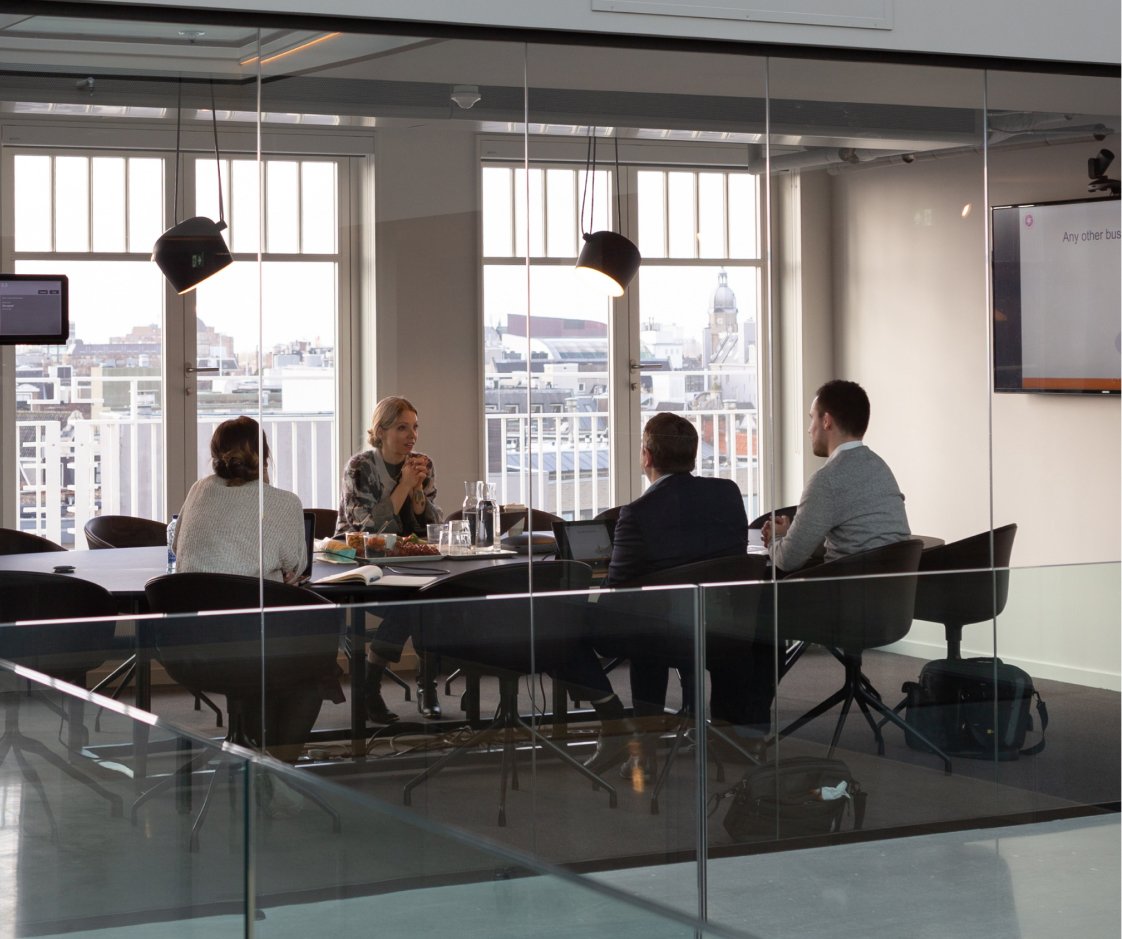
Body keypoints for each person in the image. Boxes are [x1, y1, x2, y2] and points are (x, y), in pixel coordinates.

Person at [570, 412, 754, 777]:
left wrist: (587, 596)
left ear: (647, 457)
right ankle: (651, 742)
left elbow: (617, 595)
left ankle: (620, 725)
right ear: (693, 455)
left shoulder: (638, 513)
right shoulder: (727, 493)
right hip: (722, 628)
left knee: (571, 622)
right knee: (653, 619)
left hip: (663, 633)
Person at [174, 415, 345, 768]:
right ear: (265, 456)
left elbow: (178, 546)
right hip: (253, 646)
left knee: (277, 656)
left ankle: (257, 756)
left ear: (216, 454)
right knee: (314, 666)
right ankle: (278, 770)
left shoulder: (198, 490)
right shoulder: (282, 502)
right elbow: (296, 568)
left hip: (191, 650)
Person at [336, 396, 445, 721]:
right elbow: (368, 528)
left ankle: (419, 685)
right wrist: (404, 486)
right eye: (402, 427)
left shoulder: (422, 463)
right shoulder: (360, 467)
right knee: (413, 606)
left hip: (409, 562)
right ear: (380, 431)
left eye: (414, 427)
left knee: (429, 599)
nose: (411, 435)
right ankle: (373, 684)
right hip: (361, 566)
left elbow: (433, 525)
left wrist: (418, 495)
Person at [762, 379, 910, 571]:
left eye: (811, 418)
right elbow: (854, 536)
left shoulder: (827, 480)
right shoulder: (881, 469)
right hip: (892, 596)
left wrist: (776, 537)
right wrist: (793, 534)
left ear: (826, 421)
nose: (808, 429)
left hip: (846, 595)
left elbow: (787, 560)